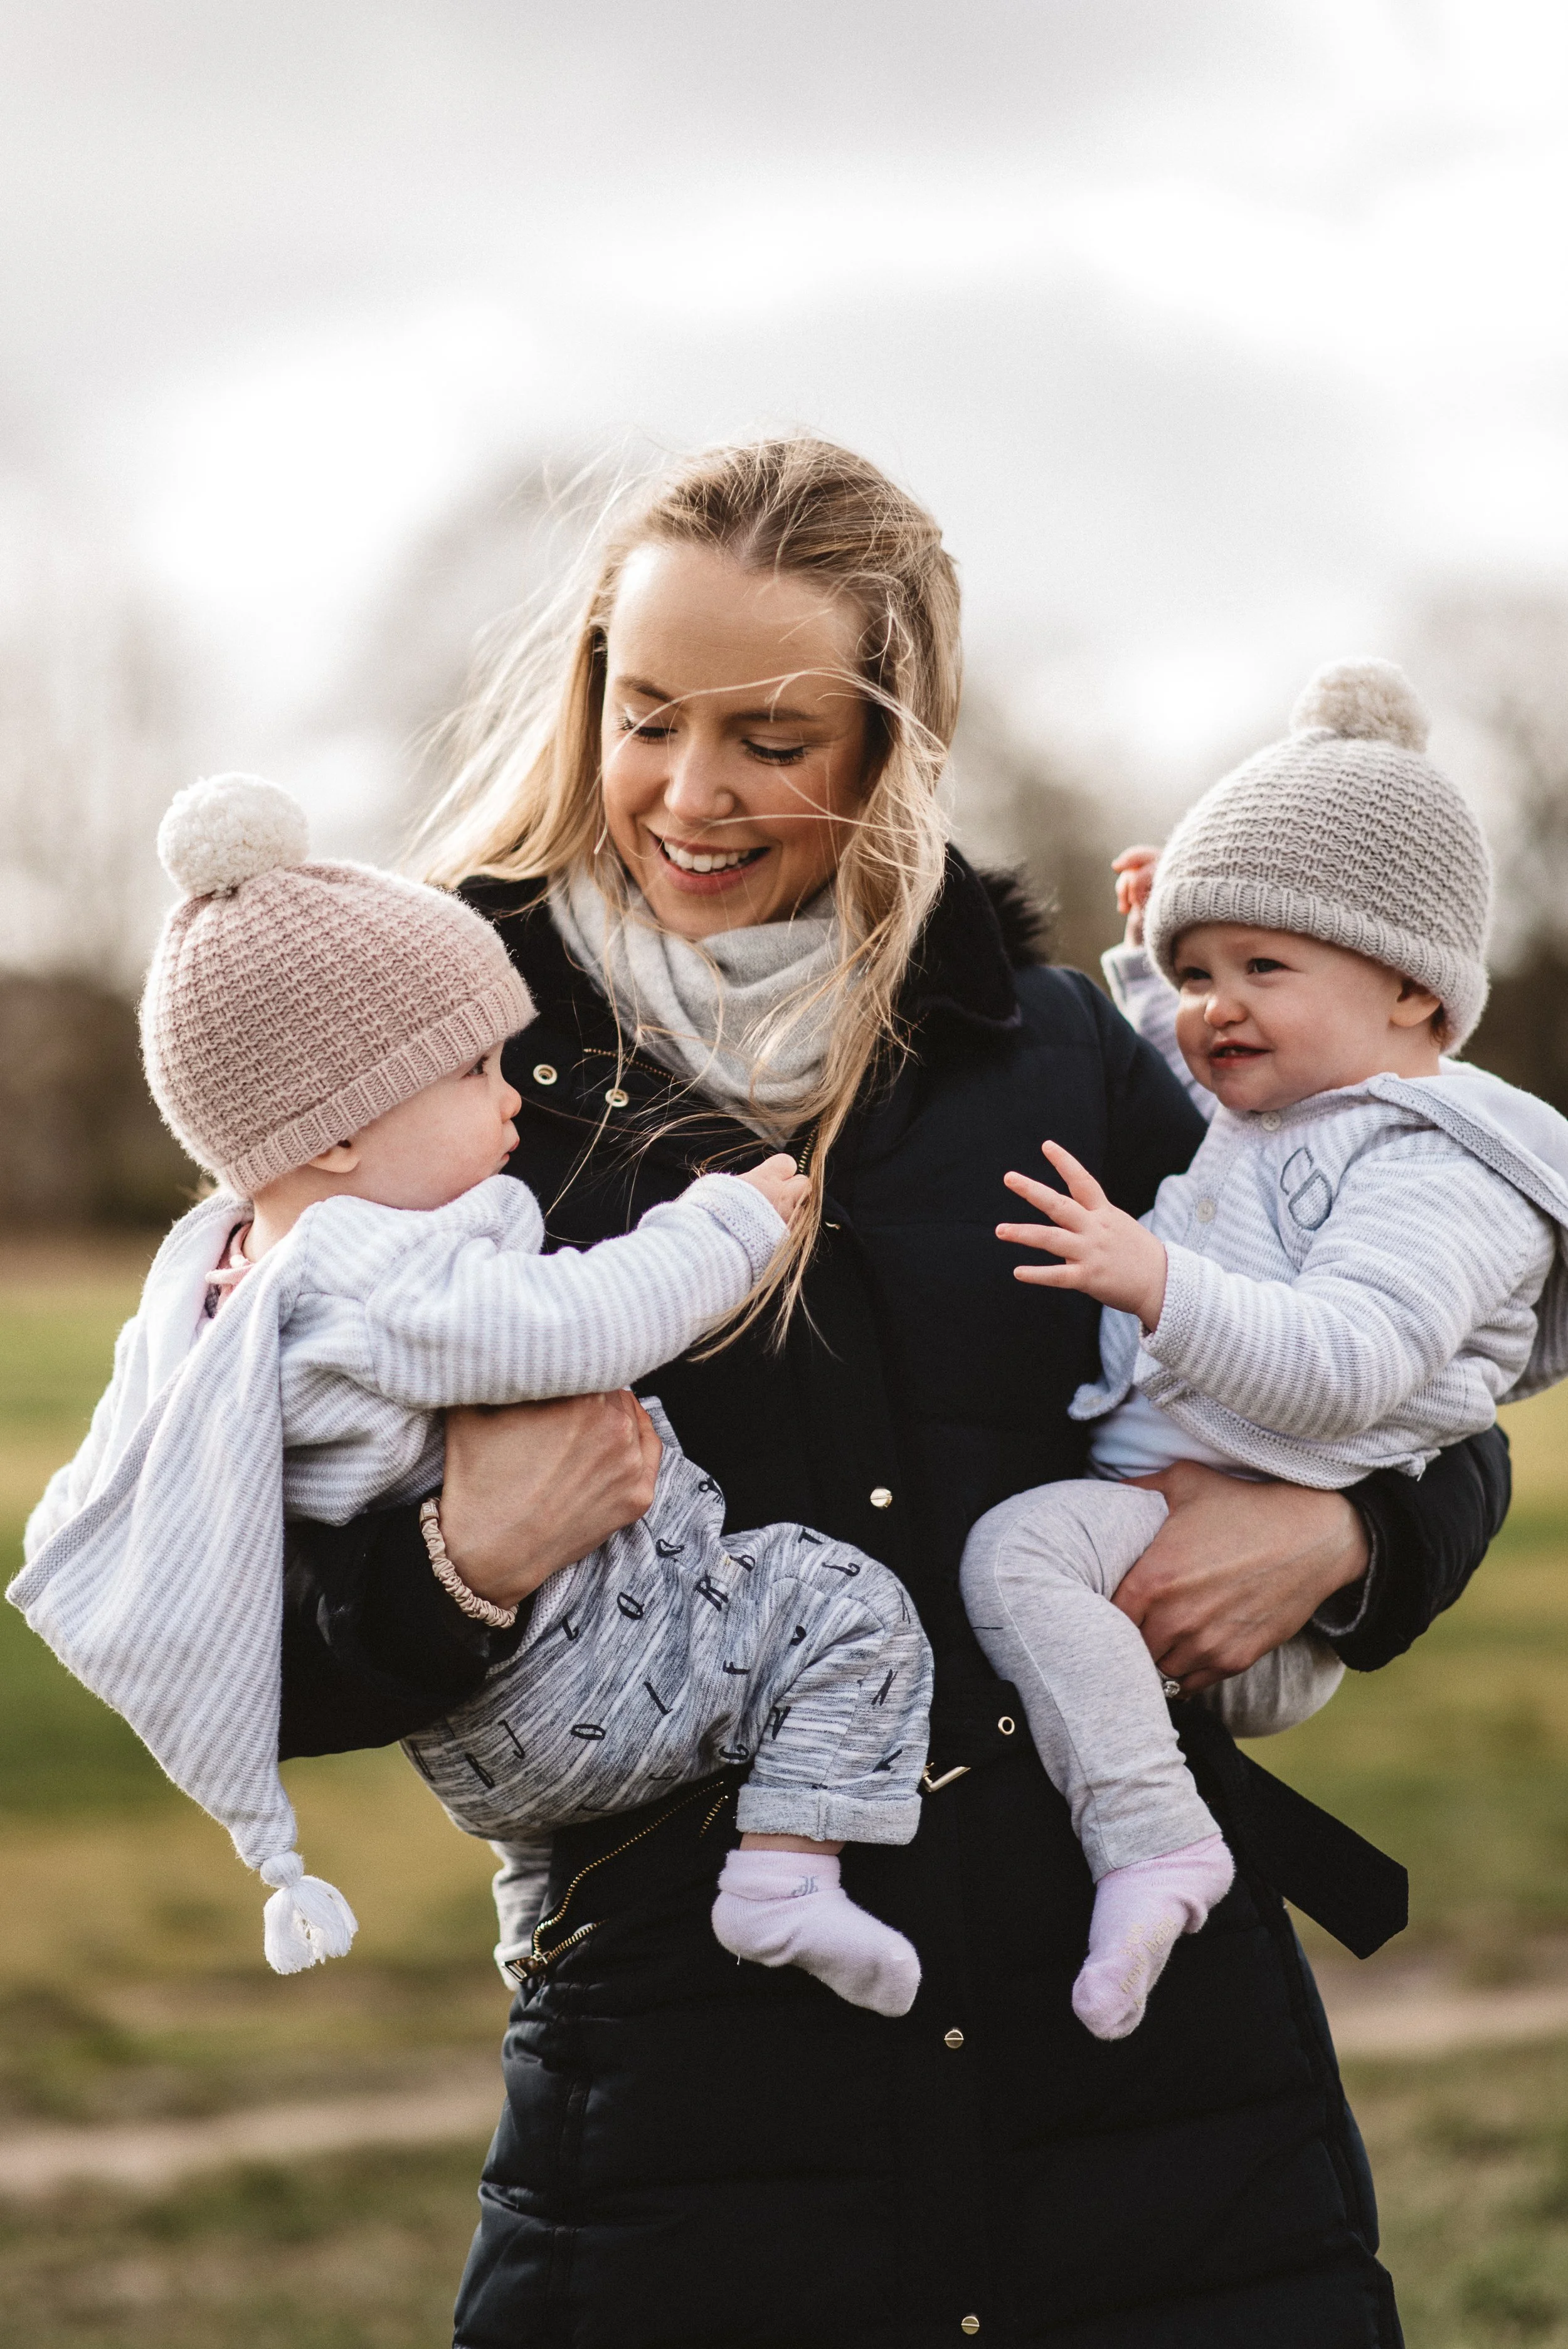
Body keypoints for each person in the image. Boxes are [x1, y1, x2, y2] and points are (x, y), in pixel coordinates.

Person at [275, 439, 1508, 2347]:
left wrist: (1347, 1535)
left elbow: (1427, 1365)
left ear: (893, 736)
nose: (691, 791)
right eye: (647, 711)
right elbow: (215, 1583)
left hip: (1160, 2098)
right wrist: (452, 1567)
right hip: (692, 2104)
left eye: (772, 735)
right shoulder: (449, 1071)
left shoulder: (1068, 1050)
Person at [14, 772, 931, 2013]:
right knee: (843, 1605)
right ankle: (784, 1878)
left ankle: (529, 1922)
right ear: (334, 1138)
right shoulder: (369, 1269)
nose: (510, 1097)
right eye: (471, 1073)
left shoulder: (223, 1272)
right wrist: (725, 1228)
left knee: (553, 1823)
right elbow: (574, 1324)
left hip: (482, 1738)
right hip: (581, 1670)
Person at [960, 657, 1568, 2045]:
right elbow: (1203, 1112)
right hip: (1175, 1522)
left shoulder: (1439, 1167)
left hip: (1255, 1602)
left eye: (1259, 967)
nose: (1208, 1007)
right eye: (1195, 973)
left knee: (1014, 1561)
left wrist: (1157, 1282)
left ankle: (1152, 1840)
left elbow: (1355, 1357)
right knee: (1013, 1557)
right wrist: (1143, 969)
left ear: (1414, 993)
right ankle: (1155, 1844)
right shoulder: (1304, 1108)